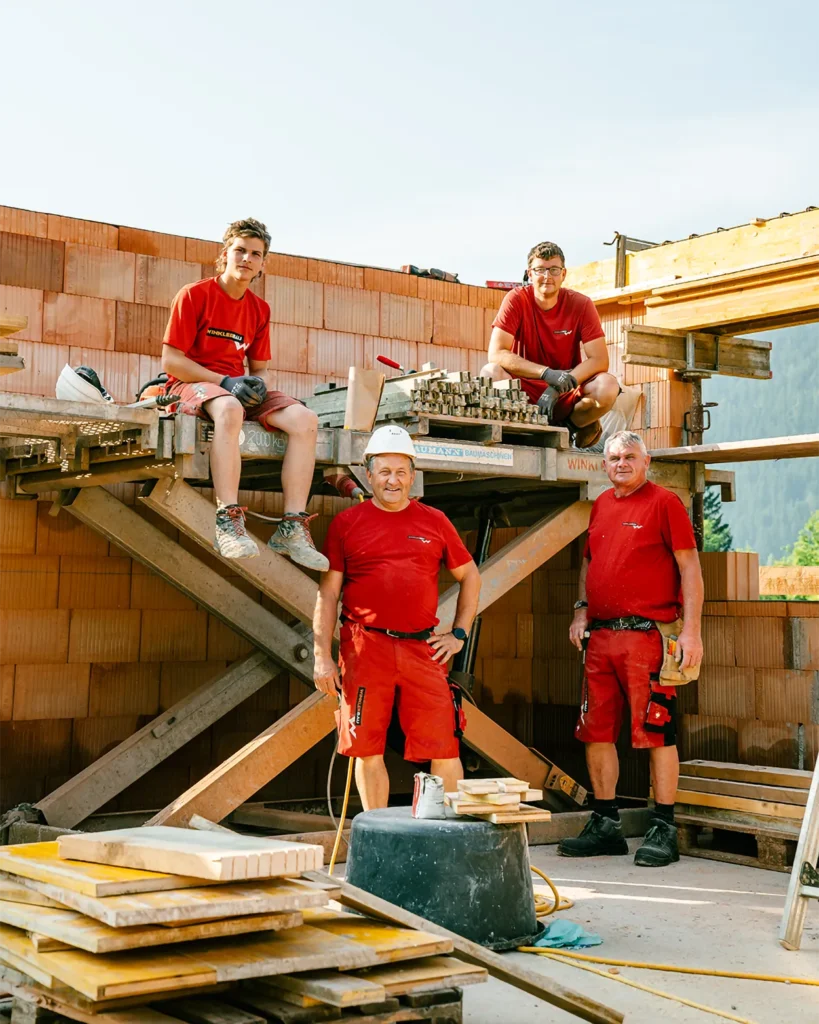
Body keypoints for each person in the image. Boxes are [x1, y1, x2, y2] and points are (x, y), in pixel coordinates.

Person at [312, 424, 482, 810]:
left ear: (412, 475)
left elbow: (470, 576)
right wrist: (322, 655)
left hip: (423, 648)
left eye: (402, 472)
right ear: (368, 474)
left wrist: (459, 633)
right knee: (366, 746)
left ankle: (446, 832)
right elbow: (328, 593)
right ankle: (377, 832)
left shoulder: (435, 521)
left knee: (444, 744)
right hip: (365, 646)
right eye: (385, 472)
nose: (393, 481)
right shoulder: (346, 524)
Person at [558, 430, 704, 867]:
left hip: (648, 636)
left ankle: (663, 828)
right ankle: (606, 824)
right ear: (604, 464)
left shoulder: (665, 503)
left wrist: (692, 631)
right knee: (596, 730)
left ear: (646, 461)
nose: (621, 463)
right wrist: (581, 610)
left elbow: (690, 568)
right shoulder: (601, 504)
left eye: (630, 457)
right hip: (601, 638)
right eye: (614, 458)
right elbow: (589, 562)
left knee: (658, 732)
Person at [161, 217, 327, 569]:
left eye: (255, 254)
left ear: (263, 263)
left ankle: (292, 527)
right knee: (230, 409)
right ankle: (228, 520)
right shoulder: (194, 295)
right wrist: (225, 382)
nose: (247, 259)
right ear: (225, 254)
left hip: (232, 388)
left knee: (305, 419)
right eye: (240, 250)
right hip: (190, 385)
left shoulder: (259, 309)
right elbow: (171, 361)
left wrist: (258, 385)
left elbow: (260, 368)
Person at [481, 241, 620, 449]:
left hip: (567, 390)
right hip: (523, 391)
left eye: (554, 270)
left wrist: (559, 385)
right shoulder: (516, 299)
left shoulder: (581, 304)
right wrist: (545, 374)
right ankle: (514, 429)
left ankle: (568, 429)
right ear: (529, 273)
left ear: (563, 274)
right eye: (540, 270)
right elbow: (496, 353)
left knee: (608, 386)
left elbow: (600, 359)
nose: (547, 276)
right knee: (490, 372)